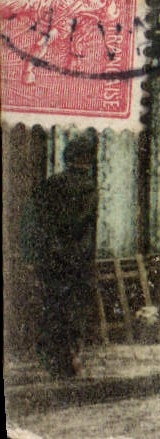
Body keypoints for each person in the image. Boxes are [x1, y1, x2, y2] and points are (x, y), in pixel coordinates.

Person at [21, 132, 99, 377]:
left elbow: (31, 221)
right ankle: (72, 361)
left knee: (52, 309)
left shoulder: (49, 185)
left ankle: (53, 362)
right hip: (77, 263)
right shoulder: (89, 190)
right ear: (88, 160)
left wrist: (33, 256)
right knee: (73, 312)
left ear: (68, 158)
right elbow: (85, 232)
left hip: (51, 262)